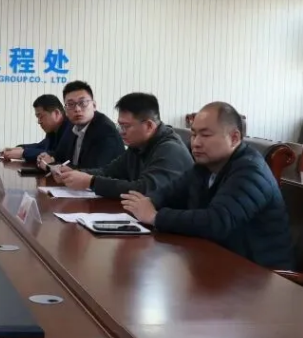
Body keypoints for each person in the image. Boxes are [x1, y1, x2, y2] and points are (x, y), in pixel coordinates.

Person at [121, 102, 294, 270]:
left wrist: (155, 217)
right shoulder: (204, 167)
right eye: (194, 134)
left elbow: (217, 222)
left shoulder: (251, 171)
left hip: (261, 274)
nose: (195, 143)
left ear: (234, 138)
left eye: (205, 135)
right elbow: (167, 194)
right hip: (219, 262)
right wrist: (148, 202)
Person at [57, 92, 193, 199]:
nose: (121, 132)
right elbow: (108, 171)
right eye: (120, 125)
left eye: (125, 126)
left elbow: (145, 190)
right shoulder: (137, 145)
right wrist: (76, 174)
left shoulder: (170, 149)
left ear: (149, 125)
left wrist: (91, 182)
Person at [37, 81, 124, 171]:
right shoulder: (73, 125)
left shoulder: (105, 131)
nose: (77, 109)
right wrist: (48, 157)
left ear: (94, 105)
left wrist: (50, 165)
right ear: (65, 110)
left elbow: (91, 172)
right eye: (71, 104)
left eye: (83, 103)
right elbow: (60, 154)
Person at [1, 94, 71, 162]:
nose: (39, 122)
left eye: (41, 116)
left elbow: (58, 155)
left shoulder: (70, 129)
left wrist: (23, 153)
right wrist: (19, 148)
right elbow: (40, 146)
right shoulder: (53, 130)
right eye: (37, 117)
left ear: (56, 113)